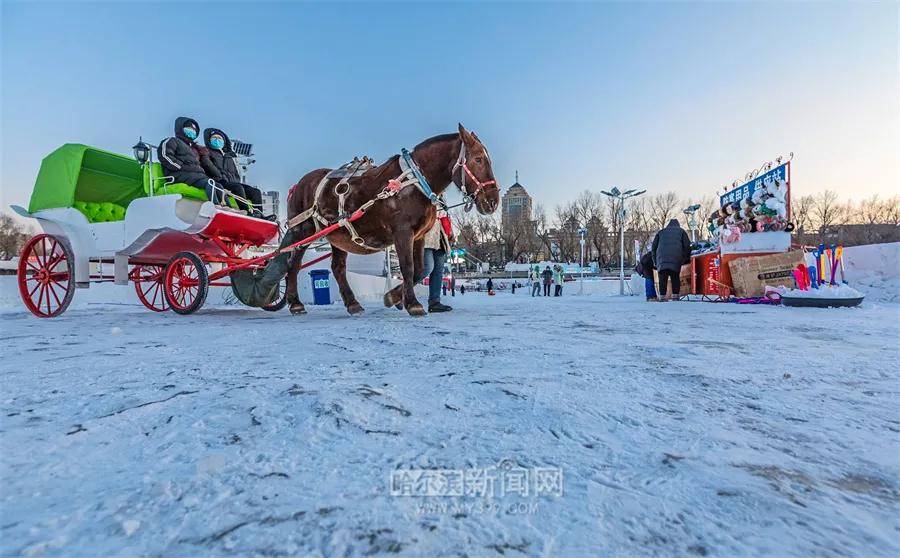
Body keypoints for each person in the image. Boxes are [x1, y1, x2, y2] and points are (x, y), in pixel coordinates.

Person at [158, 117, 242, 207]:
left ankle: (228, 208)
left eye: (194, 130)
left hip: (195, 176)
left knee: (218, 185)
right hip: (179, 174)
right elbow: (165, 155)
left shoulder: (194, 148)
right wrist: (180, 167)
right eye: (189, 129)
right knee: (210, 183)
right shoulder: (172, 141)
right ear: (180, 129)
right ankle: (216, 206)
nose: (192, 131)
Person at [200, 128, 274, 220]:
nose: (217, 140)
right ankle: (247, 213)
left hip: (232, 183)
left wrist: (236, 180)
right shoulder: (207, 153)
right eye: (214, 138)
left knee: (255, 192)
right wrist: (218, 176)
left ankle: (259, 215)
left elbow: (235, 173)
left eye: (219, 138)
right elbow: (208, 166)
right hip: (220, 182)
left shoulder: (229, 156)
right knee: (238, 188)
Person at [652, 218, 692, 301]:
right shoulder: (681, 232)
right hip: (676, 258)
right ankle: (675, 296)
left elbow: (654, 248)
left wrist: (655, 261)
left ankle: (662, 297)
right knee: (675, 277)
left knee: (662, 278)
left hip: (661, 259)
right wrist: (685, 259)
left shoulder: (661, 232)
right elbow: (687, 246)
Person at [422, 207, 453, 312]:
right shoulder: (424, 191)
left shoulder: (442, 198)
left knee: (438, 271)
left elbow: (445, 216)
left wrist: (450, 232)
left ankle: (434, 302)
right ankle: (400, 291)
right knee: (428, 267)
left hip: (441, 236)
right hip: (426, 235)